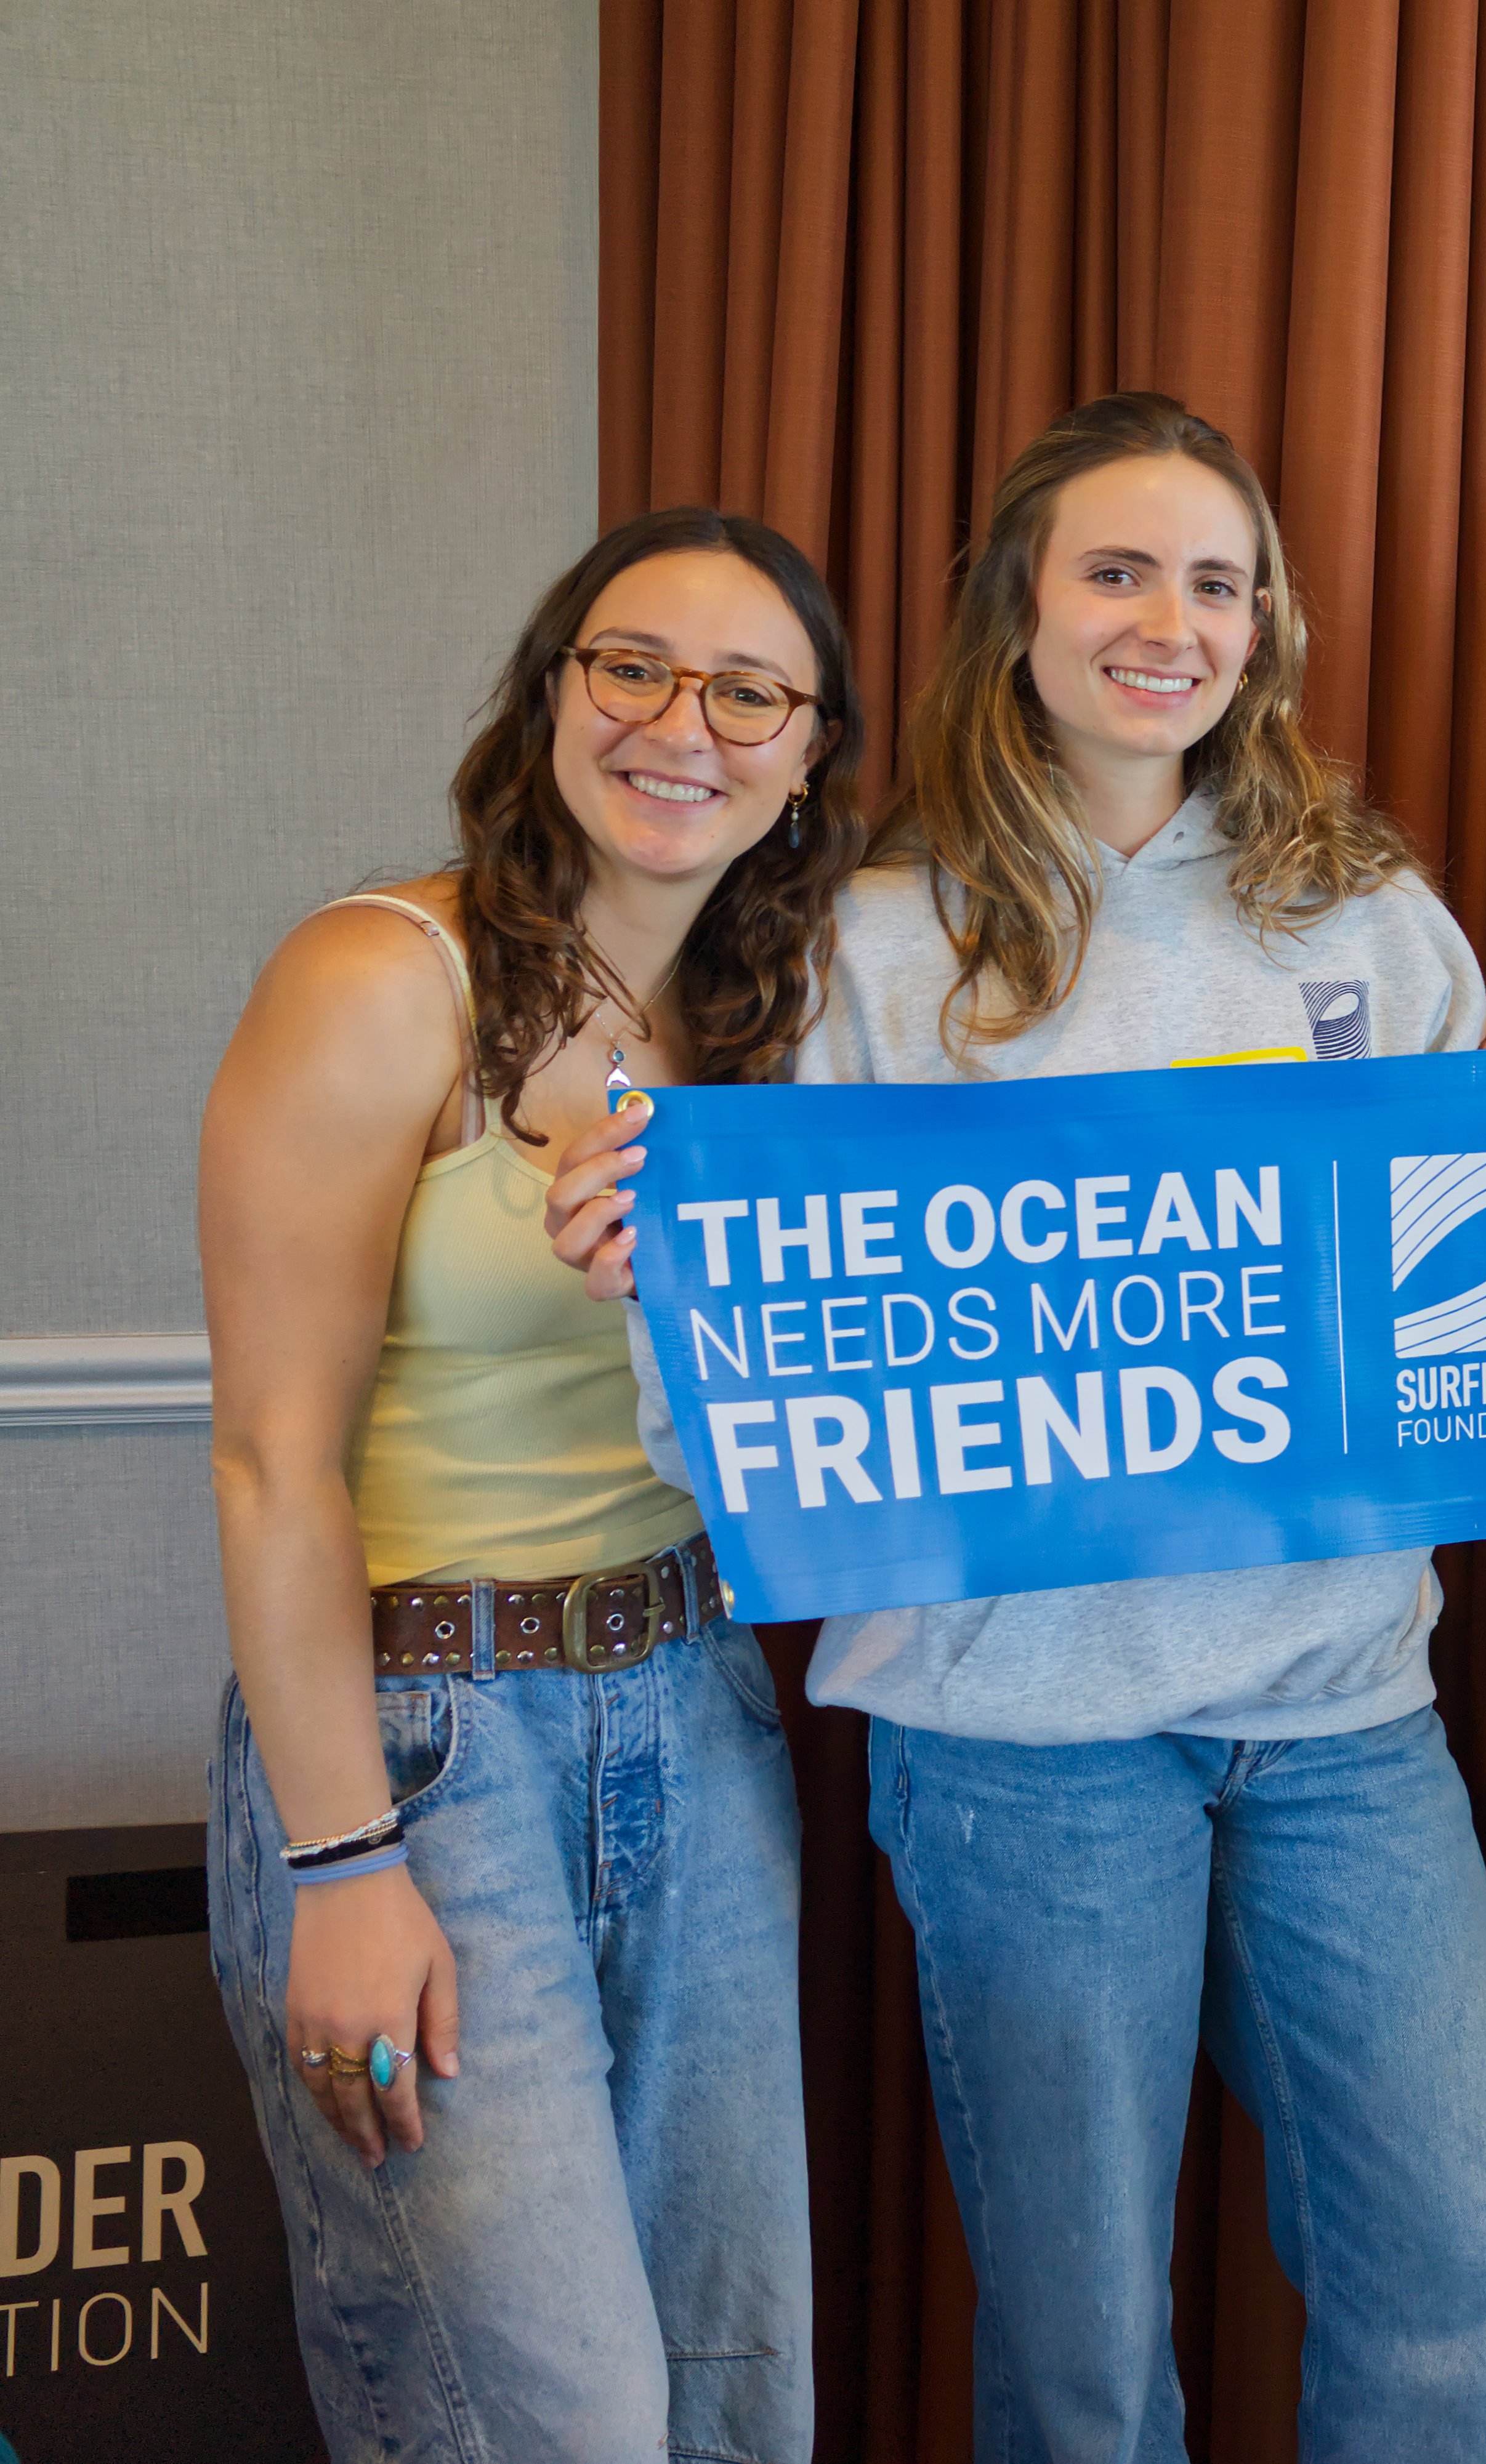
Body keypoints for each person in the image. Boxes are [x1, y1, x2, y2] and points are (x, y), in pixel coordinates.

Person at [543, 391, 1486, 2460]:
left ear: (1262, 632)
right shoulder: (867, 949)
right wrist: (672, 1280)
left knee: (1460, 2281)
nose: (1169, 620)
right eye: (1117, 570)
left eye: (1217, 581)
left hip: (1347, 1716)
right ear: (1018, 610)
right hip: (1022, 1757)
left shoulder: (1373, 919)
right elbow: (755, 1425)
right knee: (1085, 2365)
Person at [200, 505, 860, 2462]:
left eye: (753, 691)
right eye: (632, 666)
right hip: (426, 1746)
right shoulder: (380, 975)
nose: (686, 725)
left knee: (737, 2393)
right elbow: (267, 1461)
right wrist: (341, 1862)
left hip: (700, 1713)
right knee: (539, 2417)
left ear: (809, 753)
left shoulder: (774, 1023)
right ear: (553, 690)